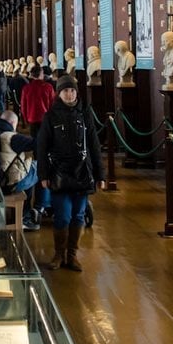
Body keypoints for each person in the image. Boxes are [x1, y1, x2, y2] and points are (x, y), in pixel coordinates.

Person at [37, 74, 104, 272]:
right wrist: (43, 175)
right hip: (59, 173)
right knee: (63, 216)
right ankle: (59, 254)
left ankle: (72, 255)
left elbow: (94, 145)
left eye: (72, 90)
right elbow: (42, 147)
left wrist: (100, 175)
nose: (69, 94)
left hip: (82, 172)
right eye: (65, 90)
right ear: (59, 93)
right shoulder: (50, 116)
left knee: (78, 216)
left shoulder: (85, 114)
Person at [0, 109, 40, 231]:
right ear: (13, 123)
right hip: (8, 185)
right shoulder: (12, 138)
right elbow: (38, 144)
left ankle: (26, 211)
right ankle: (33, 212)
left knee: (26, 172)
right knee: (38, 168)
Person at [19, 63, 56, 141]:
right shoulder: (48, 87)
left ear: (32, 75)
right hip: (45, 118)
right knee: (46, 139)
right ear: (41, 74)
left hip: (32, 118)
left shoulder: (26, 88)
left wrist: (26, 118)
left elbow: (23, 105)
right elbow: (52, 104)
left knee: (34, 140)